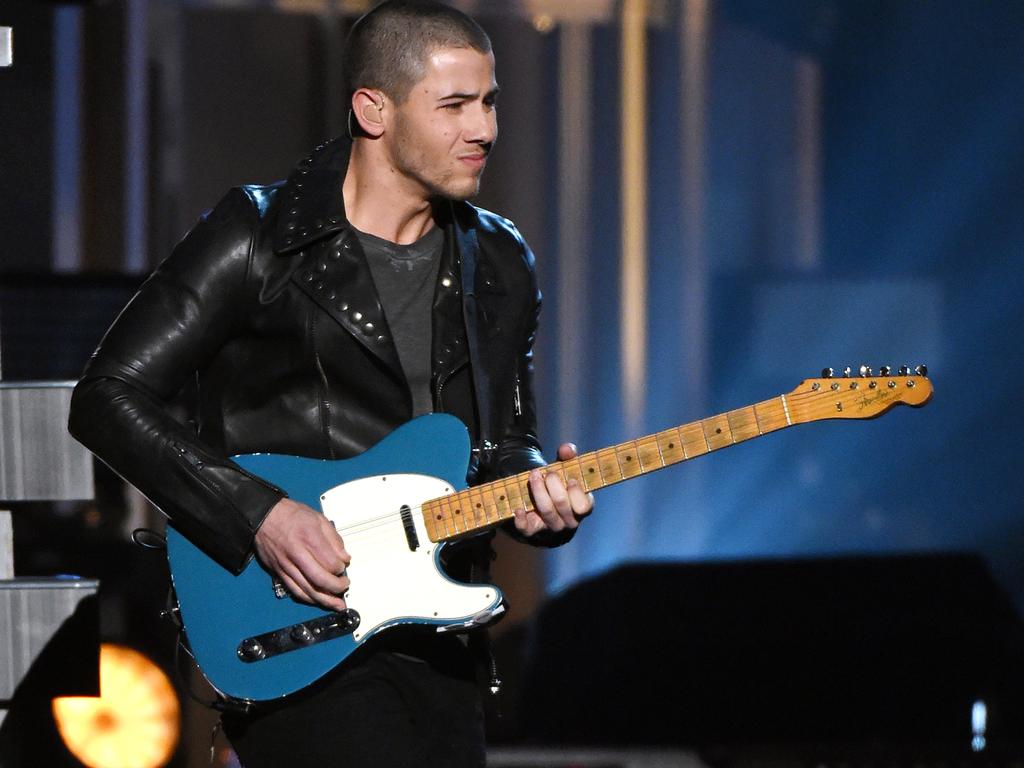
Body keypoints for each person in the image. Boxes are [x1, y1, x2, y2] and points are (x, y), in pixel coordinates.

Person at [68, 1, 593, 766]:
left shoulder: (501, 262)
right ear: (372, 109)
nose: (483, 129)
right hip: (301, 623)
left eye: (488, 102)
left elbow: (507, 443)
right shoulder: (258, 236)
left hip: (440, 638)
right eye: (453, 105)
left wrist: (540, 493)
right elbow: (108, 397)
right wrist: (261, 515)